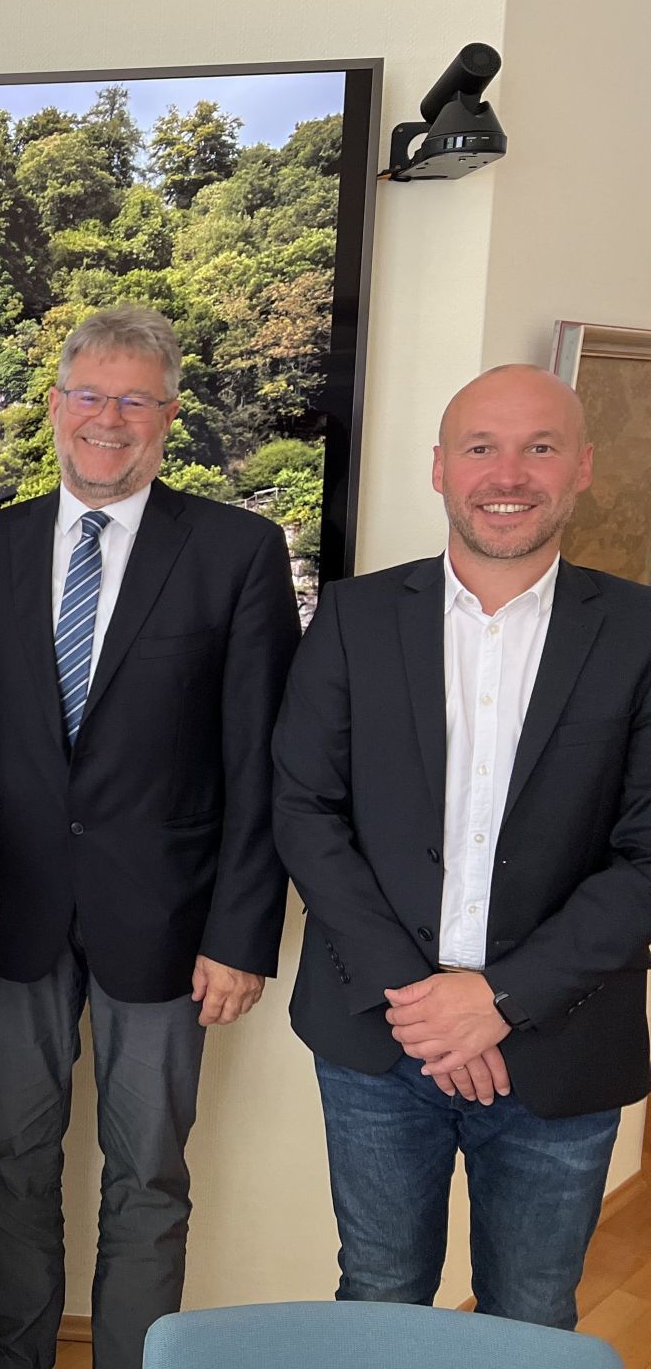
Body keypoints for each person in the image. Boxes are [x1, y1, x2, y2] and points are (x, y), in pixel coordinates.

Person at [0, 304, 301, 1369]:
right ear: (56, 406)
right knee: (11, 1160)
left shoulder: (236, 551)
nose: (109, 418)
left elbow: (261, 761)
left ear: (169, 416)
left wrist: (240, 934)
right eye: (90, 395)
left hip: (172, 924)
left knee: (150, 1173)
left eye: (135, 400)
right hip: (13, 919)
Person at [274, 364, 651, 1328]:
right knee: (377, 1301)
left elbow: (648, 857)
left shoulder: (641, 633)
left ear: (582, 467)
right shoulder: (354, 618)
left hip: (563, 1042)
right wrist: (424, 1003)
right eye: (481, 448)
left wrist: (498, 999)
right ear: (441, 467)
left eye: (539, 448)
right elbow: (306, 810)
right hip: (377, 1037)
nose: (507, 474)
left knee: (532, 1317)